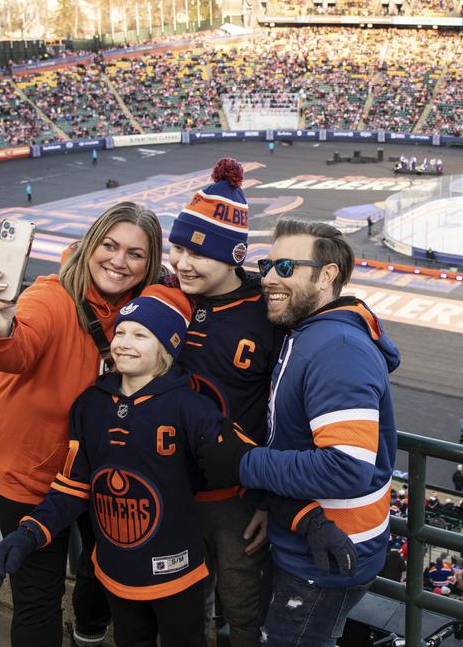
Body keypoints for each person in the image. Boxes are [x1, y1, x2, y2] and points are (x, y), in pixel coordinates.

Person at [0, 201, 163, 647]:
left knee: (102, 570)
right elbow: (12, 348)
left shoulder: (147, 307)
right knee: (38, 595)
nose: (119, 260)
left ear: (150, 263)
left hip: (102, 473)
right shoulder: (51, 297)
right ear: (91, 244)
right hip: (30, 473)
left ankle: (88, 634)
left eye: (135, 253)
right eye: (110, 245)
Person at [196, 218, 399, 647]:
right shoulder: (308, 331)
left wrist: (243, 463)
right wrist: (281, 507)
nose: (268, 277)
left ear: (326, 276)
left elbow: (347, 468)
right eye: (267, 264)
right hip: (310, 540)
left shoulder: (337, 349)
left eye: (285, 268)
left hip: (325, 556)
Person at [0, 289, 227, 645]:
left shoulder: (193, 409)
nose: (124, 343)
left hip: (177, 573)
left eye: (141, 334)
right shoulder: (89, 405)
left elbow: (242, 466)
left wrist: (302, 515)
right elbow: (72, 484)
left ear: (167, 348)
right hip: (116, 573)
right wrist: (30, 533)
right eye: (121, 331)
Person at [165, 159, 286, 647]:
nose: (183, 263)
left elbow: (286, 414)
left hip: (238, 496)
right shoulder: (163, 298)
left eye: (199, 253)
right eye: (177, 248)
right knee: (185, 605)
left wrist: (268, 498)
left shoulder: (269, 312)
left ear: (233, 255)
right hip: (171, 486)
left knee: (243, 614)